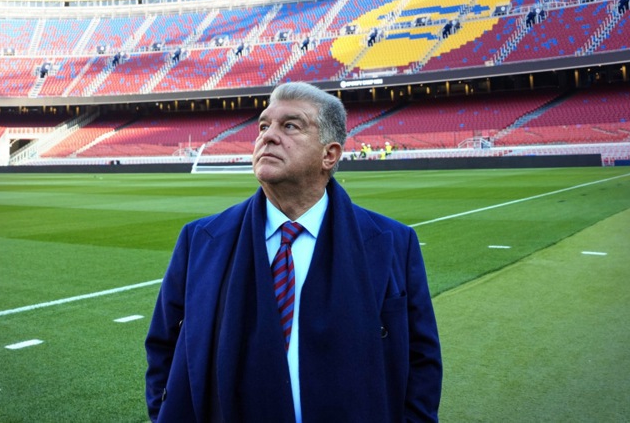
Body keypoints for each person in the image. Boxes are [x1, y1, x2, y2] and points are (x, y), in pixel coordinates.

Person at [145, 82, 442, 422]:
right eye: (263, 126)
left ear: (329, 155)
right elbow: (163, 345)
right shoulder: (200, 239)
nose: (268, 136)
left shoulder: (394, 242)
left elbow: (421, 360)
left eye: (290, 126)